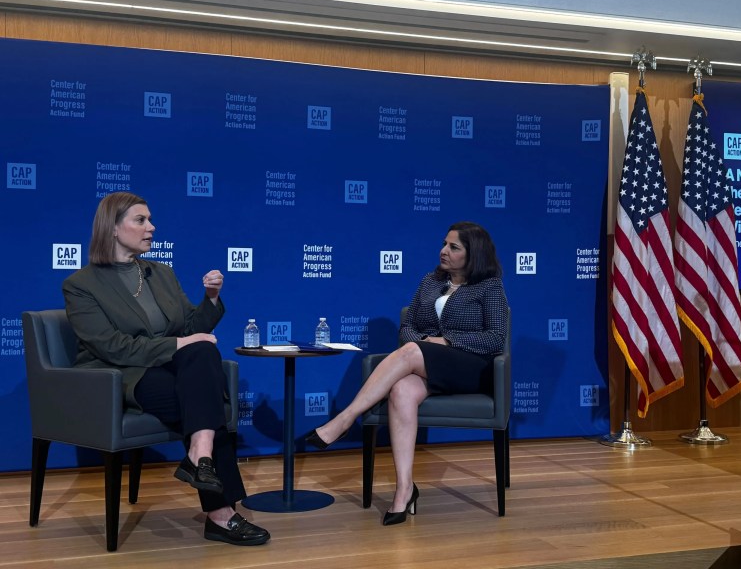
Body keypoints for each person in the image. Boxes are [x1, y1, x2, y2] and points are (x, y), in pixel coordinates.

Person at [62, 192, 270, 546]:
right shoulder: (81, 286)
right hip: (126, 375)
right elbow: (112, 346)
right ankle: (220, 513)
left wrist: (211, 299)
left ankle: (199, 457)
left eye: (150, 220)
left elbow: (190, 328)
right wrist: (177, 344)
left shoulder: (160, 273)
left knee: (202, 355)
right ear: (112, 228)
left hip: (175, 367)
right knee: (209, 407)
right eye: (140, 220)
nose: (151, 227)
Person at [306, 221, 508, 525]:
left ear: (473, 254)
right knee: (401, 391)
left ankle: (345, 419)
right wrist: (424, 344)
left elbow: (496, 337)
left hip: (470, 366)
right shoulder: (430, 281)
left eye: (454, 247)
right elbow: (408, 326)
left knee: (412, 351)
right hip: (428, 361)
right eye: (444, 243)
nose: (443, 251)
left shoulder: (489, 286)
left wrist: (447, 340)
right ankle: (404, 490)